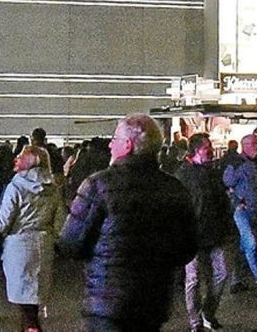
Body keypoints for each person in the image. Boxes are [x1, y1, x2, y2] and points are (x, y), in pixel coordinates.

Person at [59, 113, 197, 331]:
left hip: (107, 302)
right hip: (153, 302)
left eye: (114, 140)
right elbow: (187, 248)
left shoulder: (98, 185)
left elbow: (71, 244)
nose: (111, 146)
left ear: (127, 145)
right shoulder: (174, 188)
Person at [0, 145, 64, 332]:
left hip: (18, 247)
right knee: (33, 305)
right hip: (44, 247)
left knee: (25, 307)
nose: (16, 159)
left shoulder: (16, 186)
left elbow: (2, 223)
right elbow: (60, 224)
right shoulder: (53, 189)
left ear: (28, 161)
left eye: (20, 156)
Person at [176, 133, 234, 332]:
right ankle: (196, 322)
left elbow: (221, 203)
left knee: (221, 274)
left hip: (212, 234)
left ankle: (207, 313)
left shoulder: (211, 173)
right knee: (193, 279)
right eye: (206, 147)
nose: (210, 151)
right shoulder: (184, 175)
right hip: (192, 237)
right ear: (196, 150)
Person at [223, 133, 257, 291]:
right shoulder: (237, 164)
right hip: (242, 210)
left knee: (245, 246)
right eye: (254, 144)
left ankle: (237, 280)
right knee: (252, 242)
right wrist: (237, 201)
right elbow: (227, 184)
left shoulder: (256, 164)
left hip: (255, 209)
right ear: (246, 146)